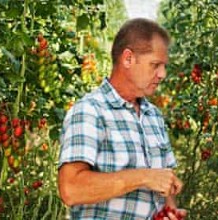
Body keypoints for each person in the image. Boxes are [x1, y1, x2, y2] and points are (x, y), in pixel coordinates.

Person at [58, 18, 187, 220]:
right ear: (128, 59)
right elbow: (71, 189)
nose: (162, 74)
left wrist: (169, 212)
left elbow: (164, 186)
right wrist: (144, 176)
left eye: (164, 66)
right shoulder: (90, 111)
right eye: (155, 65)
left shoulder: (153, 116)